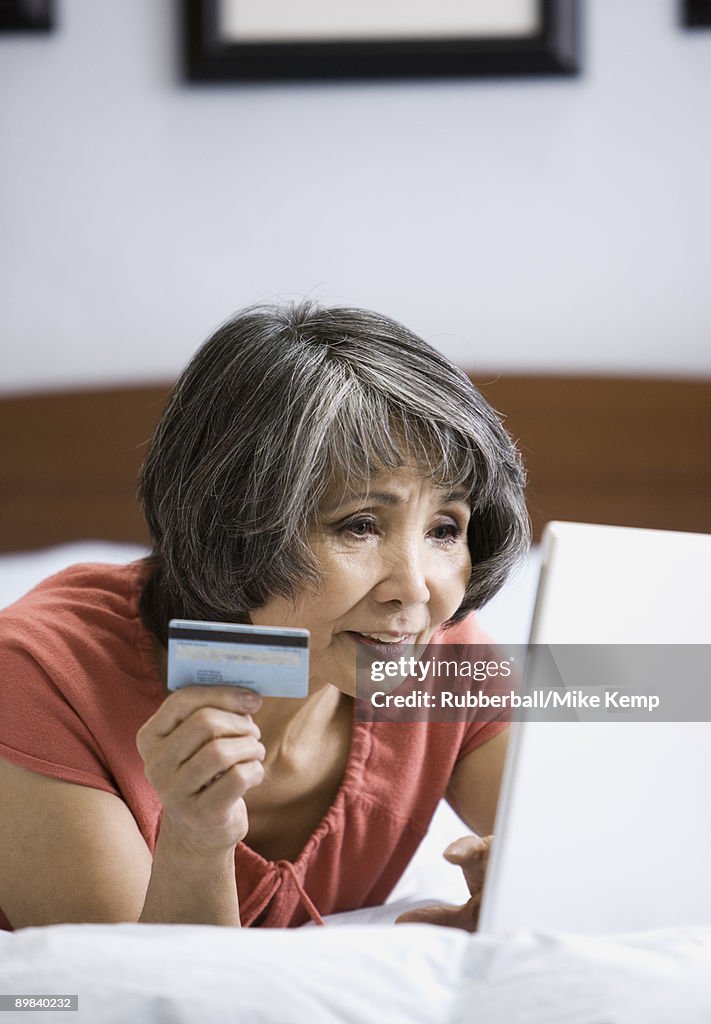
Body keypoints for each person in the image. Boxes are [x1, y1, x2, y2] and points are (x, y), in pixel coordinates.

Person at [0, 302, 529, 931]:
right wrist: (196, 841)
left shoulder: (442, 661)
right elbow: (137, 998)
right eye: (359, 525)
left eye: (446, 529)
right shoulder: (38, 678)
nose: (415, 591)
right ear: (232, 524)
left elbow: (598, 863)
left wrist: (504, 915)